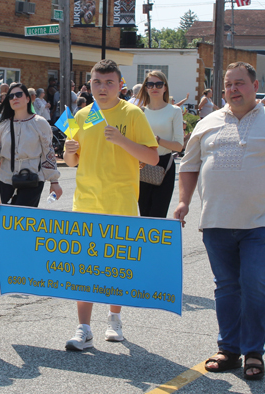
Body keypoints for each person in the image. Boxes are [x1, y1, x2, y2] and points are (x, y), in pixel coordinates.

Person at [174, 62, 265, 380]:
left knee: (256, 284)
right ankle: (229, 350)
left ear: (255, 85)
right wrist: (183, 201)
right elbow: (189, 166)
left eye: (240, 83)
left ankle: (253, 353)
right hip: (216, 221)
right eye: (228, 85)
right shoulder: (207, 123)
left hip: (261, 222)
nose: (233, 89)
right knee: (226, 287)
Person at [63, 59, 158, 351]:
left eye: (108, 83)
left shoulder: (132, 113)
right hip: (86, 200)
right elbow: (71, 161)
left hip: (121, 201)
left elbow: (153, 158)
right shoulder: (81, 115)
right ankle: (83, 328)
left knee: (116, 267)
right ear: (89, 84)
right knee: (84, 268)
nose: (102, 88)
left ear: (120, 85)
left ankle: (114, 319)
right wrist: (68, 151)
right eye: (96, 82)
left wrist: (121, 140)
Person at [0, 83, 62, 207]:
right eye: (11, 96)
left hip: (32, 178)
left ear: (27, 99)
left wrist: (54, 181)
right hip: (7, 179)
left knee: (24, 221)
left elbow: (48, 152)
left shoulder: (40, 123)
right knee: (9, 221)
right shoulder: (3, 125)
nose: (14, 98)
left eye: (19, 94)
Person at [136, 71, 184, 218]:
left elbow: (179, 146)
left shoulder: (174, 111)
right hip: (142, 164)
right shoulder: (140, 111)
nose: (154, 87)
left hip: (165, 165)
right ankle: (143, 242)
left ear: (165, 87)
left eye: (158, 84)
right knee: (144, 214)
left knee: (158, 215)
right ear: (145, 88)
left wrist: (157, 140)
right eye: (150, 84)